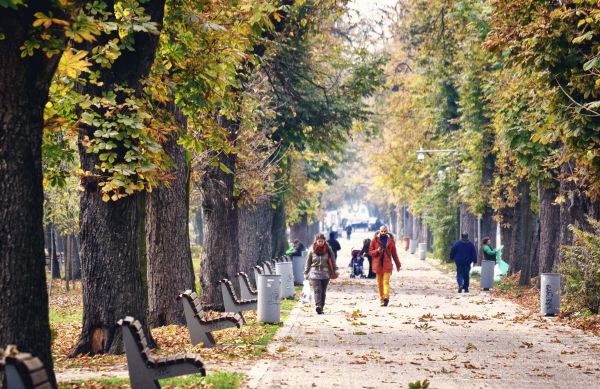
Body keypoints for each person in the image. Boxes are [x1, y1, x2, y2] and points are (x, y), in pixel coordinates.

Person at [304, 233, 338, 314]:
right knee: (317, 290)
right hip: (314, 273)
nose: (320, 243)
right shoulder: (312, 249)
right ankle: (318, 306)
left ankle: (321, 307)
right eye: (319, 241)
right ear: (316, 241)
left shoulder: (328, 249)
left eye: (322, 241)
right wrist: (306, 273)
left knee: (323, 291)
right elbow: (308, 262)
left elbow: (333, 260)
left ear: (324, 241)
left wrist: (336, 269)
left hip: (325, 273)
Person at [369, 225, 401, 306]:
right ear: (379, 231)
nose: (383, 232)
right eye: (382, 231)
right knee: (380, 284)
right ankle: (382, 299)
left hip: (387, 265)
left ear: (387, 231)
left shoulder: (391, 241)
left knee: (386, 282)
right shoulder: (374, 240)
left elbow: (394, 254)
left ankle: (386, 297)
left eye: (384, 231)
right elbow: (370, 252)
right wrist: (377, 251)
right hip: (378, 265)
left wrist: (398, 264)